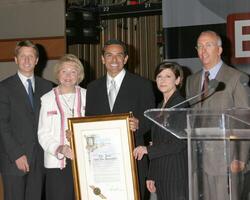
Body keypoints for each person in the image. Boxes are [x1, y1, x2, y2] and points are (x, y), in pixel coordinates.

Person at [85, 39, 155, 200]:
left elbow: (151, 120)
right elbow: (89, 122)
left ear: (126, 59)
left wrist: (140, 124)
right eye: (109, 55)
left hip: (132, 159)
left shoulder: (142, 85)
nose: (114, 60)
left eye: (119, 55)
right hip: (102, 162)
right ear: (103, 59)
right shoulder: (92, 88)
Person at [185, 30, 249, 200]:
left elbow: (245, 120)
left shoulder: (237, 78)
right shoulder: (191, 81)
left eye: (208, 45)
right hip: (197, 161)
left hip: (226, 161)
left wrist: (241, 159)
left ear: (219, 50)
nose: (203, 50)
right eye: (199, 46)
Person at [0, 40, 53, 200]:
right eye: (22, 56)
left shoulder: (48, 87)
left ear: (37, 60)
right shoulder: (4, 88)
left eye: (31, 56)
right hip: (13, 159)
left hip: (39, 159)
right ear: (15, 59)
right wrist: (17, 154)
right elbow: (2, 125)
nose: (27, 60)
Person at [133, 62, 188, 200]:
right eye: (159, 76)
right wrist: (152, 175)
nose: (162, 80)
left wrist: (147, 150)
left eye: (168, 76)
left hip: (175, 173)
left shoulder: (180, 105)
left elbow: (179, 143)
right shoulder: (159, 107)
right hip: (162, 173)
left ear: (177, 80)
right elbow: (156, 142)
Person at [37, 54, 86, 200]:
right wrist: (60, 148)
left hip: (84, 161)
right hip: (56, 163)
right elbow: (42, 133)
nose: (68, 76)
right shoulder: (47, 99)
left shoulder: (88, 96)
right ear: (58, 74)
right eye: (64, 71)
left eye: (73, 72)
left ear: (79, 75)